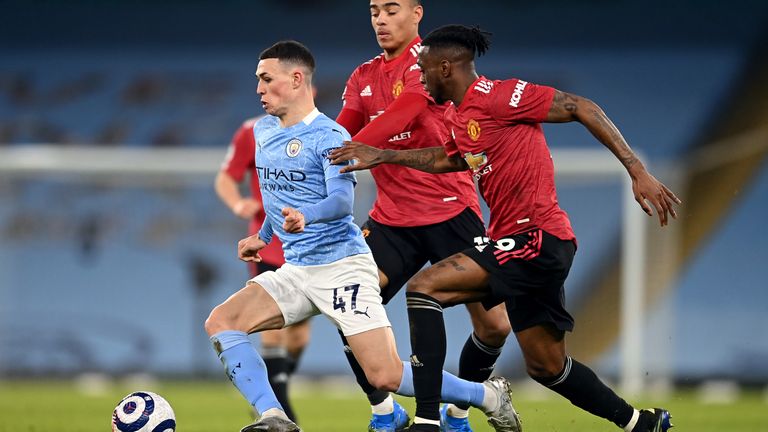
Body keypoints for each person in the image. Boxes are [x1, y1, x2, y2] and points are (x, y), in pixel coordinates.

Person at [330, 25, 679, 432]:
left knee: (425, 289)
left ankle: (428, 420)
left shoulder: (500, 95)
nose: (420, 79)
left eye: (424, 71)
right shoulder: (459, 116)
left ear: (446, 68)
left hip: (536, 237)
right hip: (528, 246)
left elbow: (579, 105)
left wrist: (636, 169)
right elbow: (450, 159)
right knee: (547, 366)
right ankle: (639, 422)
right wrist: (386, 155)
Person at [204, 39, 522, 432]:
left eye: (266, 79)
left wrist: (306, 216)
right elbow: (277, 197)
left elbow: (339, 202)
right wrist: (264, 236)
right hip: (297, 269)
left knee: (385, 375)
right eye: (258, 80)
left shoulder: (331, 136)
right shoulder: (265, 132)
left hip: (342, 268)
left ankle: (488, 396)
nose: (259, 89)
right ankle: (274, 416)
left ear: (296, 79)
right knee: (221, 321)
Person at [335, 3, 511, 430]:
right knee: (346, 302)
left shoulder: (432, 64)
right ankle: (385, 413)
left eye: (390, 9)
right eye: (374, 10)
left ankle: (457, 412)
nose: (380, 19)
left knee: (496, 327)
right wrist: (325, 146)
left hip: (451, 212)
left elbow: (410, 108)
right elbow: (342, 129)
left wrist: (352, 147)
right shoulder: (363, 75)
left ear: (416, 13)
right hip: (392, 220)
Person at [215, 117, 311, 422]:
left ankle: (268, 389)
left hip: (308, 245)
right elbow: (226, 177)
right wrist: (237, 204)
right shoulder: (252, 131)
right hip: (268, 244)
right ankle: (280, 411)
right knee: (272, 330)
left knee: (298, 338)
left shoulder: (318, 129)